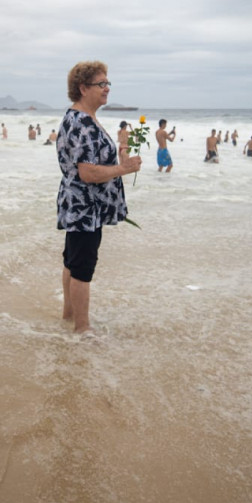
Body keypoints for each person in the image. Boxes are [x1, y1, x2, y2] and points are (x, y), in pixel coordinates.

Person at [56, 61, 141, 335]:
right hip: (84, 206)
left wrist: (124, 145)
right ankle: (82, 329)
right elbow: (88, 172)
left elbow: (100, 161)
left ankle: (69, 317)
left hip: (82, 205)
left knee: (72, 260)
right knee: (82, 266)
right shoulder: (80, 122)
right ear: (83, 88)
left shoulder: (86, 118)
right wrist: (123, 169)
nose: (107, 88)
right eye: (101, 84)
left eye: (108, 83)